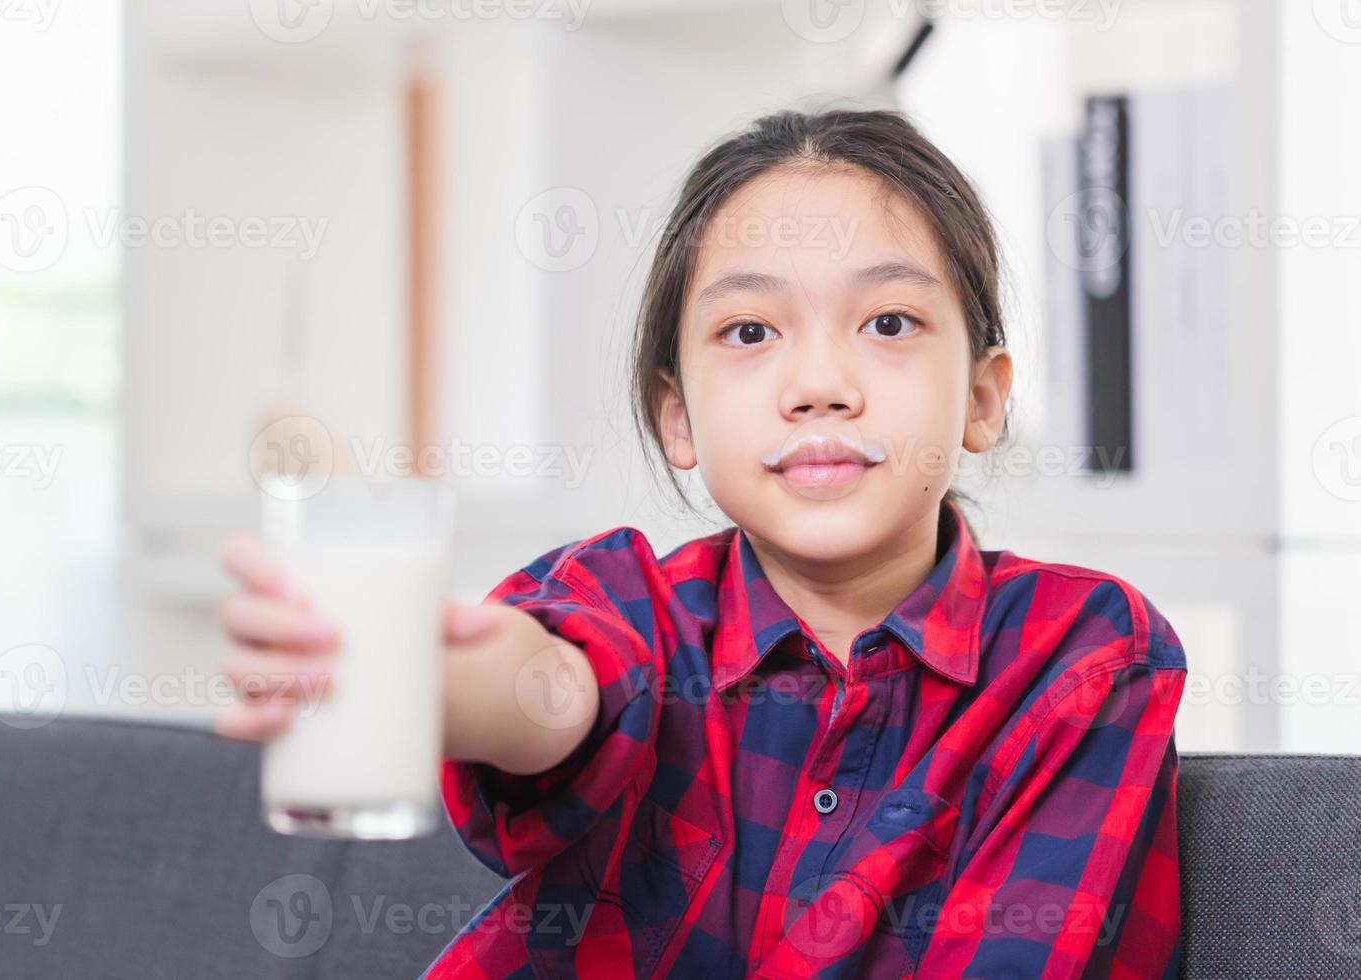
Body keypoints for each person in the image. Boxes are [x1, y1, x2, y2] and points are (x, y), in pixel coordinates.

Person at [215, 108, 1188, 978]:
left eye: (888, 321)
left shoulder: (1085, 653)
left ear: (982, 396)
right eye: (750, 329)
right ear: (676, 417)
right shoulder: (630, 602)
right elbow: (554, 684)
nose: (818, 381)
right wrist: (428, 676)